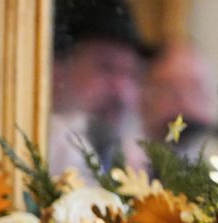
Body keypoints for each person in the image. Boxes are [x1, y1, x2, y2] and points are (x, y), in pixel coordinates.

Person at [49, 0, 151, 179]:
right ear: (56, 71)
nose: (121, 91)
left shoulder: (138, 163)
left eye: (131, 74)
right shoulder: (41, 147)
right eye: (106, 67)